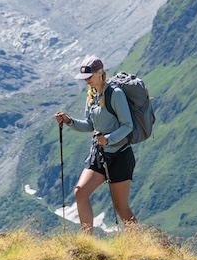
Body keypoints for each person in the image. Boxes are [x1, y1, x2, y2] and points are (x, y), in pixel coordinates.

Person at [55, 55, 137, 232]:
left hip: (120, 155)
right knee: (80, 192)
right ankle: (87, 243)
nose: (86, 81)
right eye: (84, 78)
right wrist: (69, 121)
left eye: (89, 76)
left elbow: (128, 125)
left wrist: (108, 139)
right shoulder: (91, 95)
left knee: (121, 208)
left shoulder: (115, 94)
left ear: (100, 73)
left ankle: (142, 244)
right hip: (99, 155)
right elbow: (90, 125)